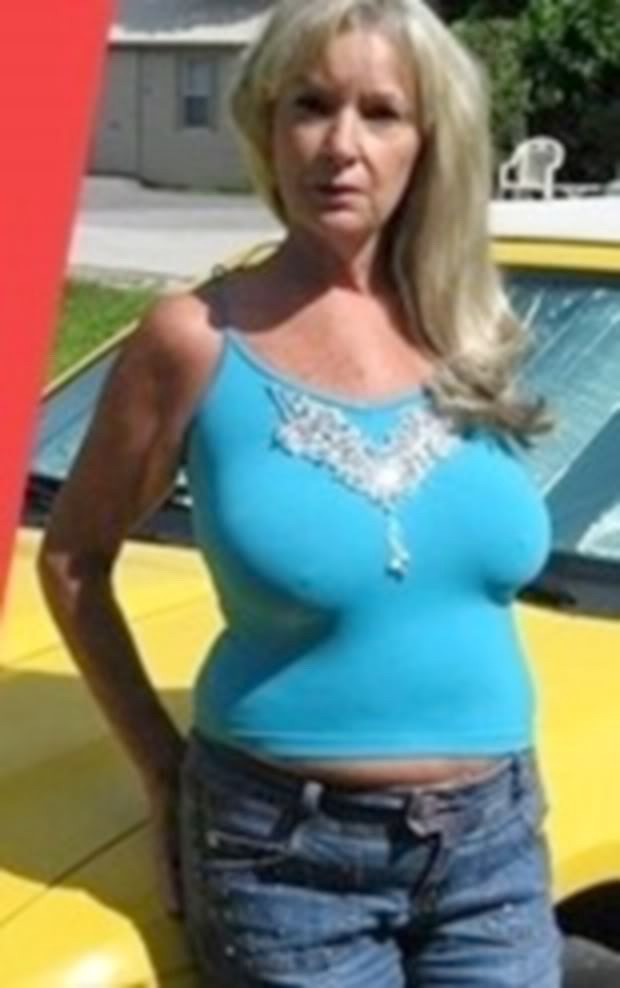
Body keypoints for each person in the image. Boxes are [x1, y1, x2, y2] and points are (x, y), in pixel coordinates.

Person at [38, 0, 563, 985]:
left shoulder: (471, 329)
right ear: (265, 124)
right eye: (310, 105)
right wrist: (161, 770)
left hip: (493, 843)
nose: (339, 146)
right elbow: (71, 561)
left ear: (429, 140)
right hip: (286, 859)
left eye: (381, 112)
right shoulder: (198, 338)